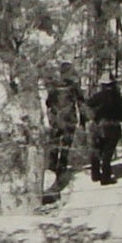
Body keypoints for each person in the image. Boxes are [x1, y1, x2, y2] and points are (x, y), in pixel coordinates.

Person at [43, 62, 86, 199]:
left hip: (56, 121)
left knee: (54, 148)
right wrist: (83, 121)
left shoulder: (54, 87)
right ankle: (61, 174)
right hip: (69, 120)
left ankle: (52, 173)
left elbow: (48, 103)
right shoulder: (73, 86)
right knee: (65, 148)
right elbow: (81, 103)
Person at [85, 76, 122, 183]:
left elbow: (87, 104)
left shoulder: (97, 97)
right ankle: (106, 177)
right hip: (113, 128)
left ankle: (95, 174)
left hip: (98, 127)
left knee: (97, 150)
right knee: (107, 153)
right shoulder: (118, 98)